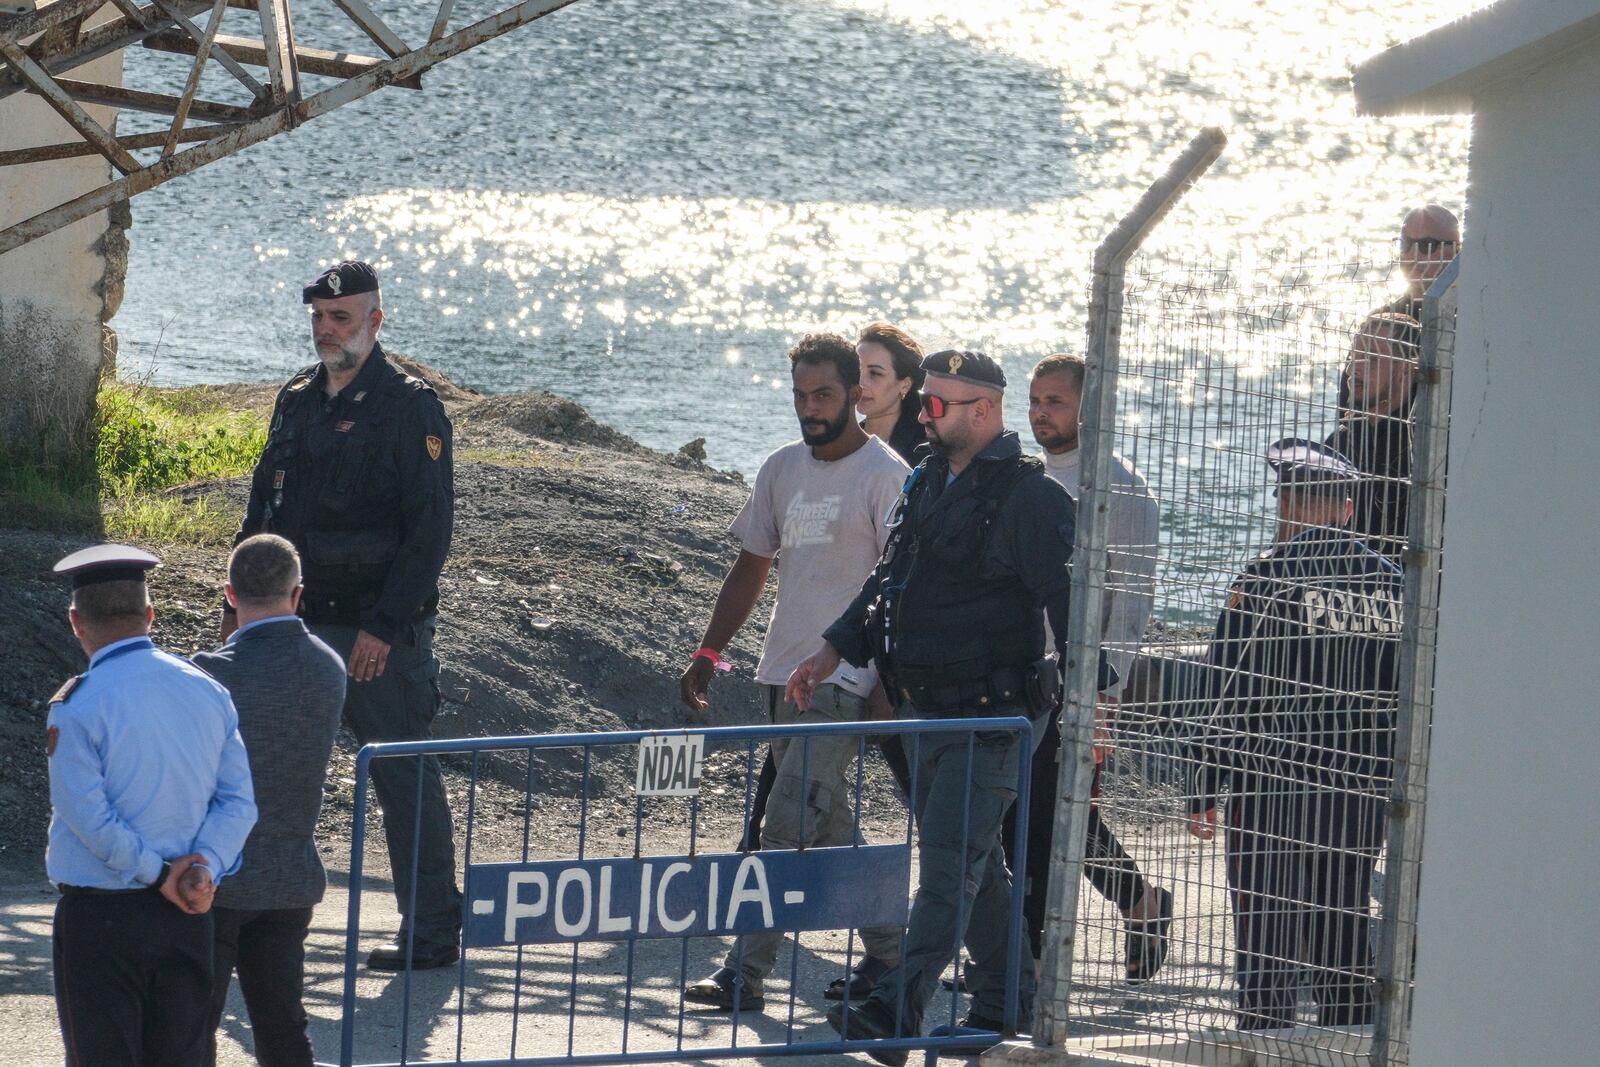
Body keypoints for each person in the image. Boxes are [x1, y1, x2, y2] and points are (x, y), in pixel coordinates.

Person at [792, 349, 1089, 1063]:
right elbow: (888, 580)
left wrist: (1087, 700)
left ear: (982, 412)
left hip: (993, 716)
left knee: (950, 864)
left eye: (937, 404)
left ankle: (899, 1008)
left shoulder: (1031, 497)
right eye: (924, 401)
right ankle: (1005, 1002)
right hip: (929, 711)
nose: (923, 413)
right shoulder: (926, 478)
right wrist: (833, 647)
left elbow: (1073, 607)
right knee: (977, 858)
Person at [229, 259, 461, 970]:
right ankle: (250, 913)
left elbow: (430, 531)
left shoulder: (410, 407)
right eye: (319, 318)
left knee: (400, 774)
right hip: (289, 622)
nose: (326, 330)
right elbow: (261, 512)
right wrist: (238, 603)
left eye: (341, 318)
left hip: (373, 631)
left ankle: (429, 928)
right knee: (260, 765)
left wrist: (385, 626)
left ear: (375, 321)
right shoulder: (298, 399)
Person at [679, 332, 910, 1012]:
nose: (810, 407)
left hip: (845, 678)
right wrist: (708, 651)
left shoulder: (885, 473)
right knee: (824, 819)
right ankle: (899, 952)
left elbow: (903, 587)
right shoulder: (780, 468)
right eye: (801, 395)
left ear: (855, 394)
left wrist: (887, 687)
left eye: (825, 395)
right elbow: (751, 565)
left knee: (780, 828)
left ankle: (744, 973)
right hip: (780, 674)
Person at [1186, 440, 1403, 1031]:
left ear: (1289, 505)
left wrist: (1204, 784)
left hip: (1271, 784)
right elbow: (1399, 693)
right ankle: (1350, 1040)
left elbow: (1226, 689)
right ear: (1349, 510)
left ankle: (1267, 1038)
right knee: (1344, 924)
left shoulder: (1266, 577)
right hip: (1356, 785)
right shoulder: (1388, 583)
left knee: (1268, 938)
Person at [46, 544, 257, 1065]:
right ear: (149, 615)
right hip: (188, 911)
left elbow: (88, 817)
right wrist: (201, 868)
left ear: (76, 622)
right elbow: (239, 802)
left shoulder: (78, 704)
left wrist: (155, 872)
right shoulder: (206, 691)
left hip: (102, 919)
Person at [1020, 353, 1172, 982]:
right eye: (1035, 399)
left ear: (1090, 407)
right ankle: (1137, 902)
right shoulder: (1026, 477)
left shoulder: (1120, 488)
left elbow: (1132, 605)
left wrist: (1106, 695)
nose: (1040, 411)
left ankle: (1025, 960)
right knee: (1039, 810)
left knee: (1057, 810)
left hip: (1081, 684)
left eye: (1055, 400)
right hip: (1020, 672)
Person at [192, 535, 347, 1067]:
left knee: (193, 1029)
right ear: (297, 594)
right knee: (283, 1027)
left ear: (230, 595)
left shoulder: (209, 671)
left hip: (215, 875)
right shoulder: (328, 666)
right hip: (290, 874)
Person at [1327, 313, 1419, 562]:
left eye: (1369, 358)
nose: (1351, 368)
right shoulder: (1339, 444)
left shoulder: (1426, 450)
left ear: (1407, 370)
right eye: (1352, 357)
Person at [856, 321, 928, 465]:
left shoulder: (923, 455)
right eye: (856, 370)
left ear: (905, 385)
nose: (860, 383)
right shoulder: (839, 444)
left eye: (875, 373)